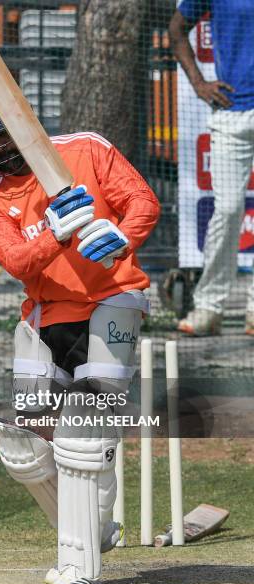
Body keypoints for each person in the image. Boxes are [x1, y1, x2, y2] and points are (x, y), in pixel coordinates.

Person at [0, 89, 160, 584]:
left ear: (25, 123)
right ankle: (91, 535)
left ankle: (80, 567)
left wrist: (121, 235)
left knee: (84, 435)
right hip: (44, 313)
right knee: (24, 445)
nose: (1, 151)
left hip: (111, 299)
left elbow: (142, 201)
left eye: (6, 135)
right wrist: (53, 231)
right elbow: (17, 263)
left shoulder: (84, 148)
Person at [169, 0, 254, 336]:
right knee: (228, 210)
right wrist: (198, 83)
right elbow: (176, 29)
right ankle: (209, 308)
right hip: (232, 114)